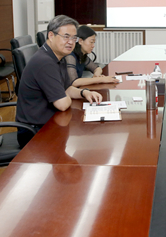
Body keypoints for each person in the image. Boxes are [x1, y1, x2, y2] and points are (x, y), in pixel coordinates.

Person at [15, 15, 103, 147]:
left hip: (49, 121)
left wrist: (84, 93)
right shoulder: (45, 62)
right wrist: (64, 95)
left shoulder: (59, 57)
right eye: (66, 37)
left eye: (74, 38)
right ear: (51, 35)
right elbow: (62, 104)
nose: (71, 42)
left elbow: (67, 88)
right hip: (35, 132)